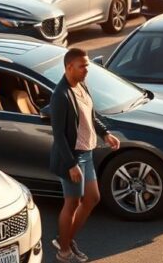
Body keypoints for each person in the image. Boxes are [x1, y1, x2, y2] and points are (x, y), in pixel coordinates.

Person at [48, 48, 120, 263]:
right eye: (83, 66)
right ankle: (63, 252)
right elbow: (58, 134)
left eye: (87, 65)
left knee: (92, 198)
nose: (87, 70)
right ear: (69, 67)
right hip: (72, 156)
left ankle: (66, 240)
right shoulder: (60, 95)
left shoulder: (81, 86)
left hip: (87, 153)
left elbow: (90, 113)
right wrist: (71, 163)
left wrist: (105, 133)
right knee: (71, 203)